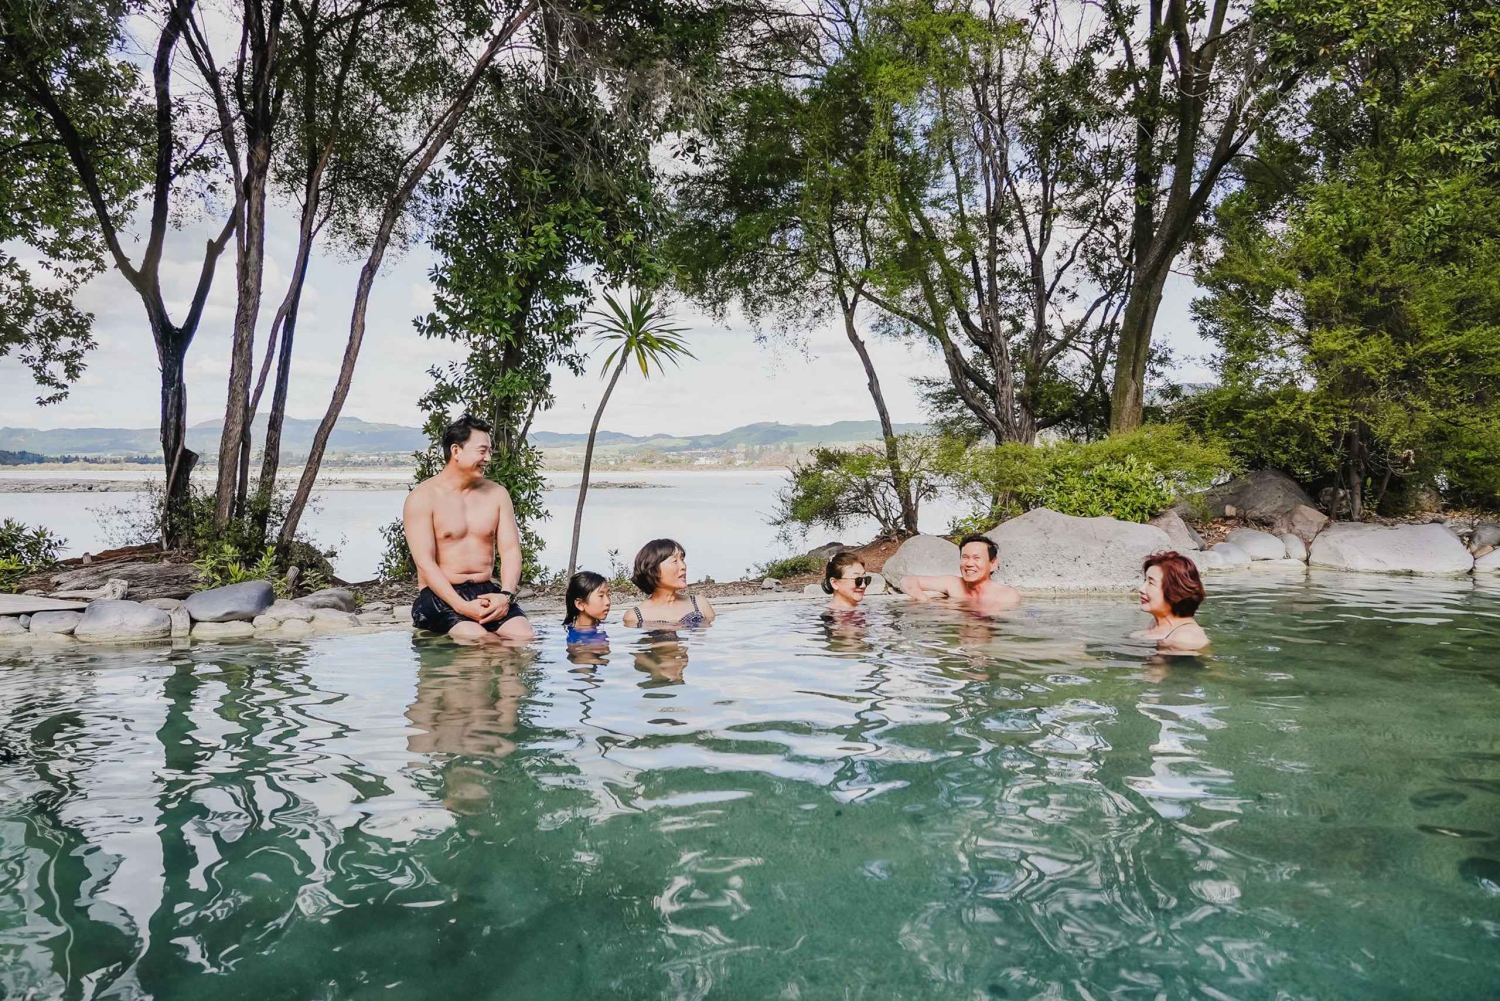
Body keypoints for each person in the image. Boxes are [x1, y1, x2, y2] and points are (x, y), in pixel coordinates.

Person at [403, 414, 534, 643]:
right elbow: (425, 563)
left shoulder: (497, 494)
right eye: (482, 451)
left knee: (523, 638)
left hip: (486, 590)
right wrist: (461, 606)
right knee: (479, 640)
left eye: (490, 451)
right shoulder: (422, 498)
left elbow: (511, 550)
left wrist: (505, 595)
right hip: (440, 595)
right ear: (456, 451)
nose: (488, 458)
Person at [898, 534, 1021, 613]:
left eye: (977, 558)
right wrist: (923, 601)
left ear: (993, 564)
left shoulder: (1007, 596)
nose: (969, 563)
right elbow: (907, 581)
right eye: (965, 557)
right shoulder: (952, 584)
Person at [621, 539, 716, 628]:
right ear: (652, 570)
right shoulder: (635, 616)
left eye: (682, 559)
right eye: (675, 561)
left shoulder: (700, 604)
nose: (683, 566)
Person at [1134, 551, 1209, 652]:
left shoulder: (1186, 638)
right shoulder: (1156, 623)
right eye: (1145, 581)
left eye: (1151, 583)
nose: (1141, 589)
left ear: (1175, 591)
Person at [564, 571, 611, 644]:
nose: (608, 602)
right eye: (601, 596)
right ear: (580, 604)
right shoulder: (577, 642)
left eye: (608, 595)